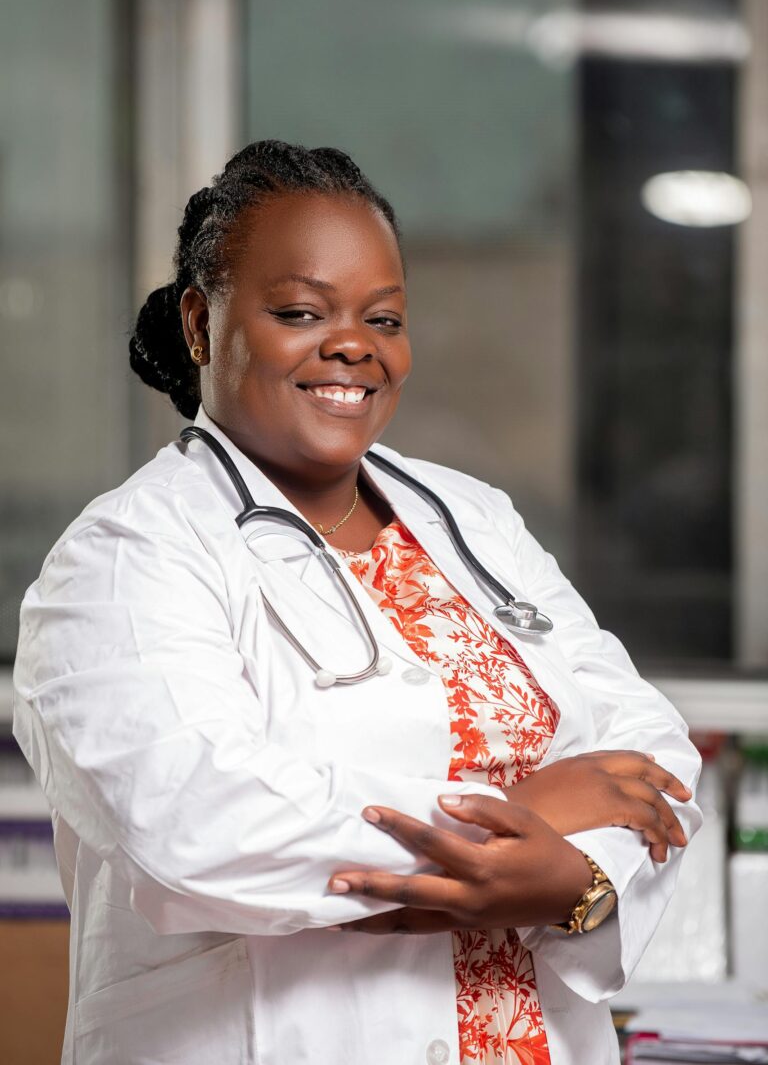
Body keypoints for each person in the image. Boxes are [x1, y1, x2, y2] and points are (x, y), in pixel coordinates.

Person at [13, 140, 701, 1065]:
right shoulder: (125, 557)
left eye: (384, 317)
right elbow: (192, 824)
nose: (353, 346)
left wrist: (574, 878)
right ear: (199, 322)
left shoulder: (470, 518)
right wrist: (516, 815)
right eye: (301, 311)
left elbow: (649, 758)